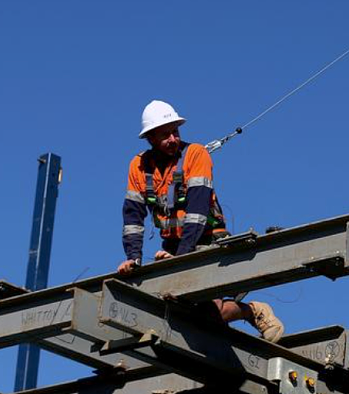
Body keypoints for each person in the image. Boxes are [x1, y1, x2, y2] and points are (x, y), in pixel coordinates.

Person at [117, 100, 284, 343]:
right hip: (173, 248)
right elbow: (132, 216)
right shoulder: (139, 166)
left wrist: (182, 259)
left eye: (175, 131)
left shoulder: (196, 154)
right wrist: (133, 259)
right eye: (165, 135)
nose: (173, 139)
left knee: (208, 312)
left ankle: (254, 311)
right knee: (185, 315)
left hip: (208, 242)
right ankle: (242, 319)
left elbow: (197, 212)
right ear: (150, 138)